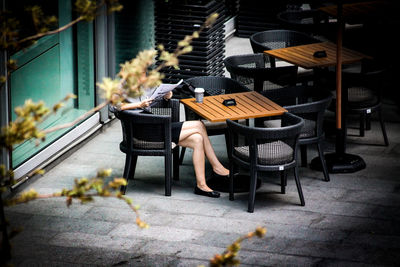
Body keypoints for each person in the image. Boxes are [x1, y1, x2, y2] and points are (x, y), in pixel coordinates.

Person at [120, 91, 229, 198]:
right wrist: (139, 105)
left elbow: (155, 100)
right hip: (144, 132)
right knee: (199, 125)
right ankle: (217, 167)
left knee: (197, 139)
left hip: (157, 124)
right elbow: (115, 107)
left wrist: (166, 96)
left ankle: (201, 185)